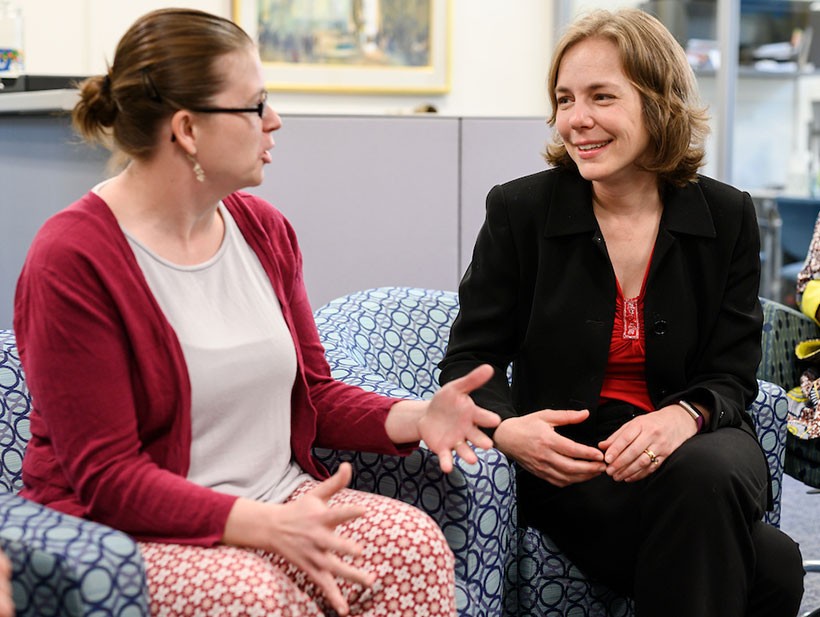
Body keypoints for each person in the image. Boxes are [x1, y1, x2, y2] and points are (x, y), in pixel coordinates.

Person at [13, 8, 501, 617]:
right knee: (252, 597)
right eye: (254, 105)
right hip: (132, 531)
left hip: (279, 501)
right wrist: (263, 527)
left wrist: (415, 416)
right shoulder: (74, 259)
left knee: (411, 548)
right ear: (187, 129)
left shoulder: (264, 231)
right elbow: (108, 477)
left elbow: (314, 395)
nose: (274, 121)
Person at [438, 8, 804, 617]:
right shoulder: (519, 211)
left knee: (704, 476)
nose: (576, 120)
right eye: (564, 99)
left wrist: (682, 416)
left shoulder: (727, 215)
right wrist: (508, 429)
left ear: (657, 103)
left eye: (601, 96)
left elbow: (733, 373)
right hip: (577, 464)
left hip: (701, 440)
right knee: (774, 567)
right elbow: (468, 359)